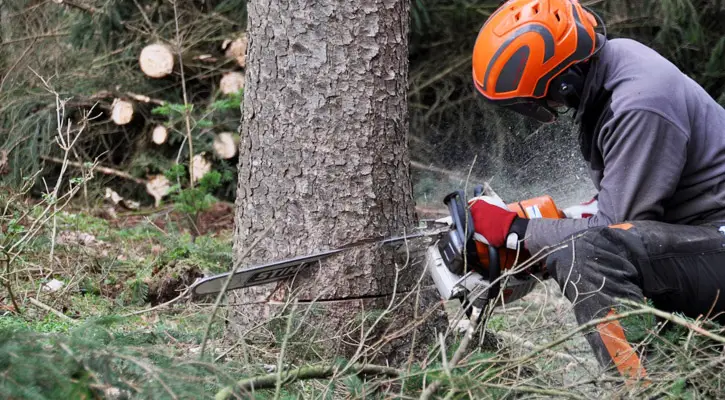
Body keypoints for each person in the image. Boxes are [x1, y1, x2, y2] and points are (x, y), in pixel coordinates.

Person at [467, 0, 725, 382]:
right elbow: (619, 203)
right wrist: (531, 220)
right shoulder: (612, 68)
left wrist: (518, 233)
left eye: (540, 97)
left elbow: (615, 233)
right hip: (703, 237)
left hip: (715, 239)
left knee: (588, 255)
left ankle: (644, 389)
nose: (544, 106)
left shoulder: (638, 104)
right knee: (583, 243)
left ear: (564, 80)